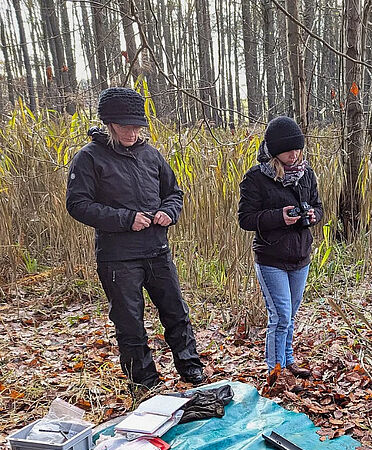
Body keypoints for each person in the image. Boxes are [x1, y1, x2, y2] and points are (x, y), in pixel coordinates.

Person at [66, 87, 204, 391]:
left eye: (137, 126)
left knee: (176, 313)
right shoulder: (88, 158)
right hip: (118, 258)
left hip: (157, 251)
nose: (132, 132)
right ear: (109, 124)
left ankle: (192, 369)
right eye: (125, 126)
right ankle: (145, 384)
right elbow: (77, 205)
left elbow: (174, 192)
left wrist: (170, 211)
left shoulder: (150, 154)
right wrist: (127, 219)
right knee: (130, 323)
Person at [238, 116, 323, 378]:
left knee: (291, 314)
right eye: (288, 150)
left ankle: (288, 360)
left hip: (300, 255)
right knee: (280, 315)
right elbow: (245, 219)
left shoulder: (306, 173)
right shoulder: (255, 179)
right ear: (274, 150)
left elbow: (319, 207)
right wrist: (279, 217)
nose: (294, 154)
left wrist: (312, 216)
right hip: (271, 257)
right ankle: (275, 370)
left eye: (298, 148)